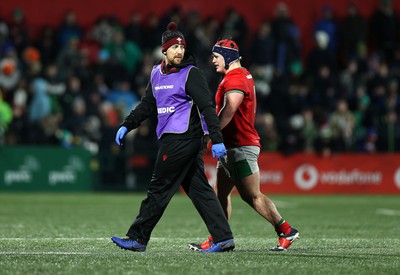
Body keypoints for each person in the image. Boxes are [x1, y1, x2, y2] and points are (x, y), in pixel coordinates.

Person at [111, 22, 235, 253]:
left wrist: (217, 139)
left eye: (182, 47)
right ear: (164, 51)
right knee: (200, 190)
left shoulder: (191, 73)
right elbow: (148, 105)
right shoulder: (156, 74)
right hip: (173, 138)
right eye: (174, 47)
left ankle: (138, 238)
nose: (179, 51)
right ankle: (223, 236)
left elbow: (207, 107)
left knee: (159, 188)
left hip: (183, 138)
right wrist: (127, 124)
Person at [189, 39, 300, 252]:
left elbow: (230, 109)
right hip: (233, 146)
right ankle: (219, 238)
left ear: (228, 57)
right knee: (220, 193)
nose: (212, 61)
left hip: (240, 146)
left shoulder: (236, 78)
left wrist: (212, 134)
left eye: (216, 56)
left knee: (252, 196)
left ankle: (286, 230)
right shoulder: (240, 75)